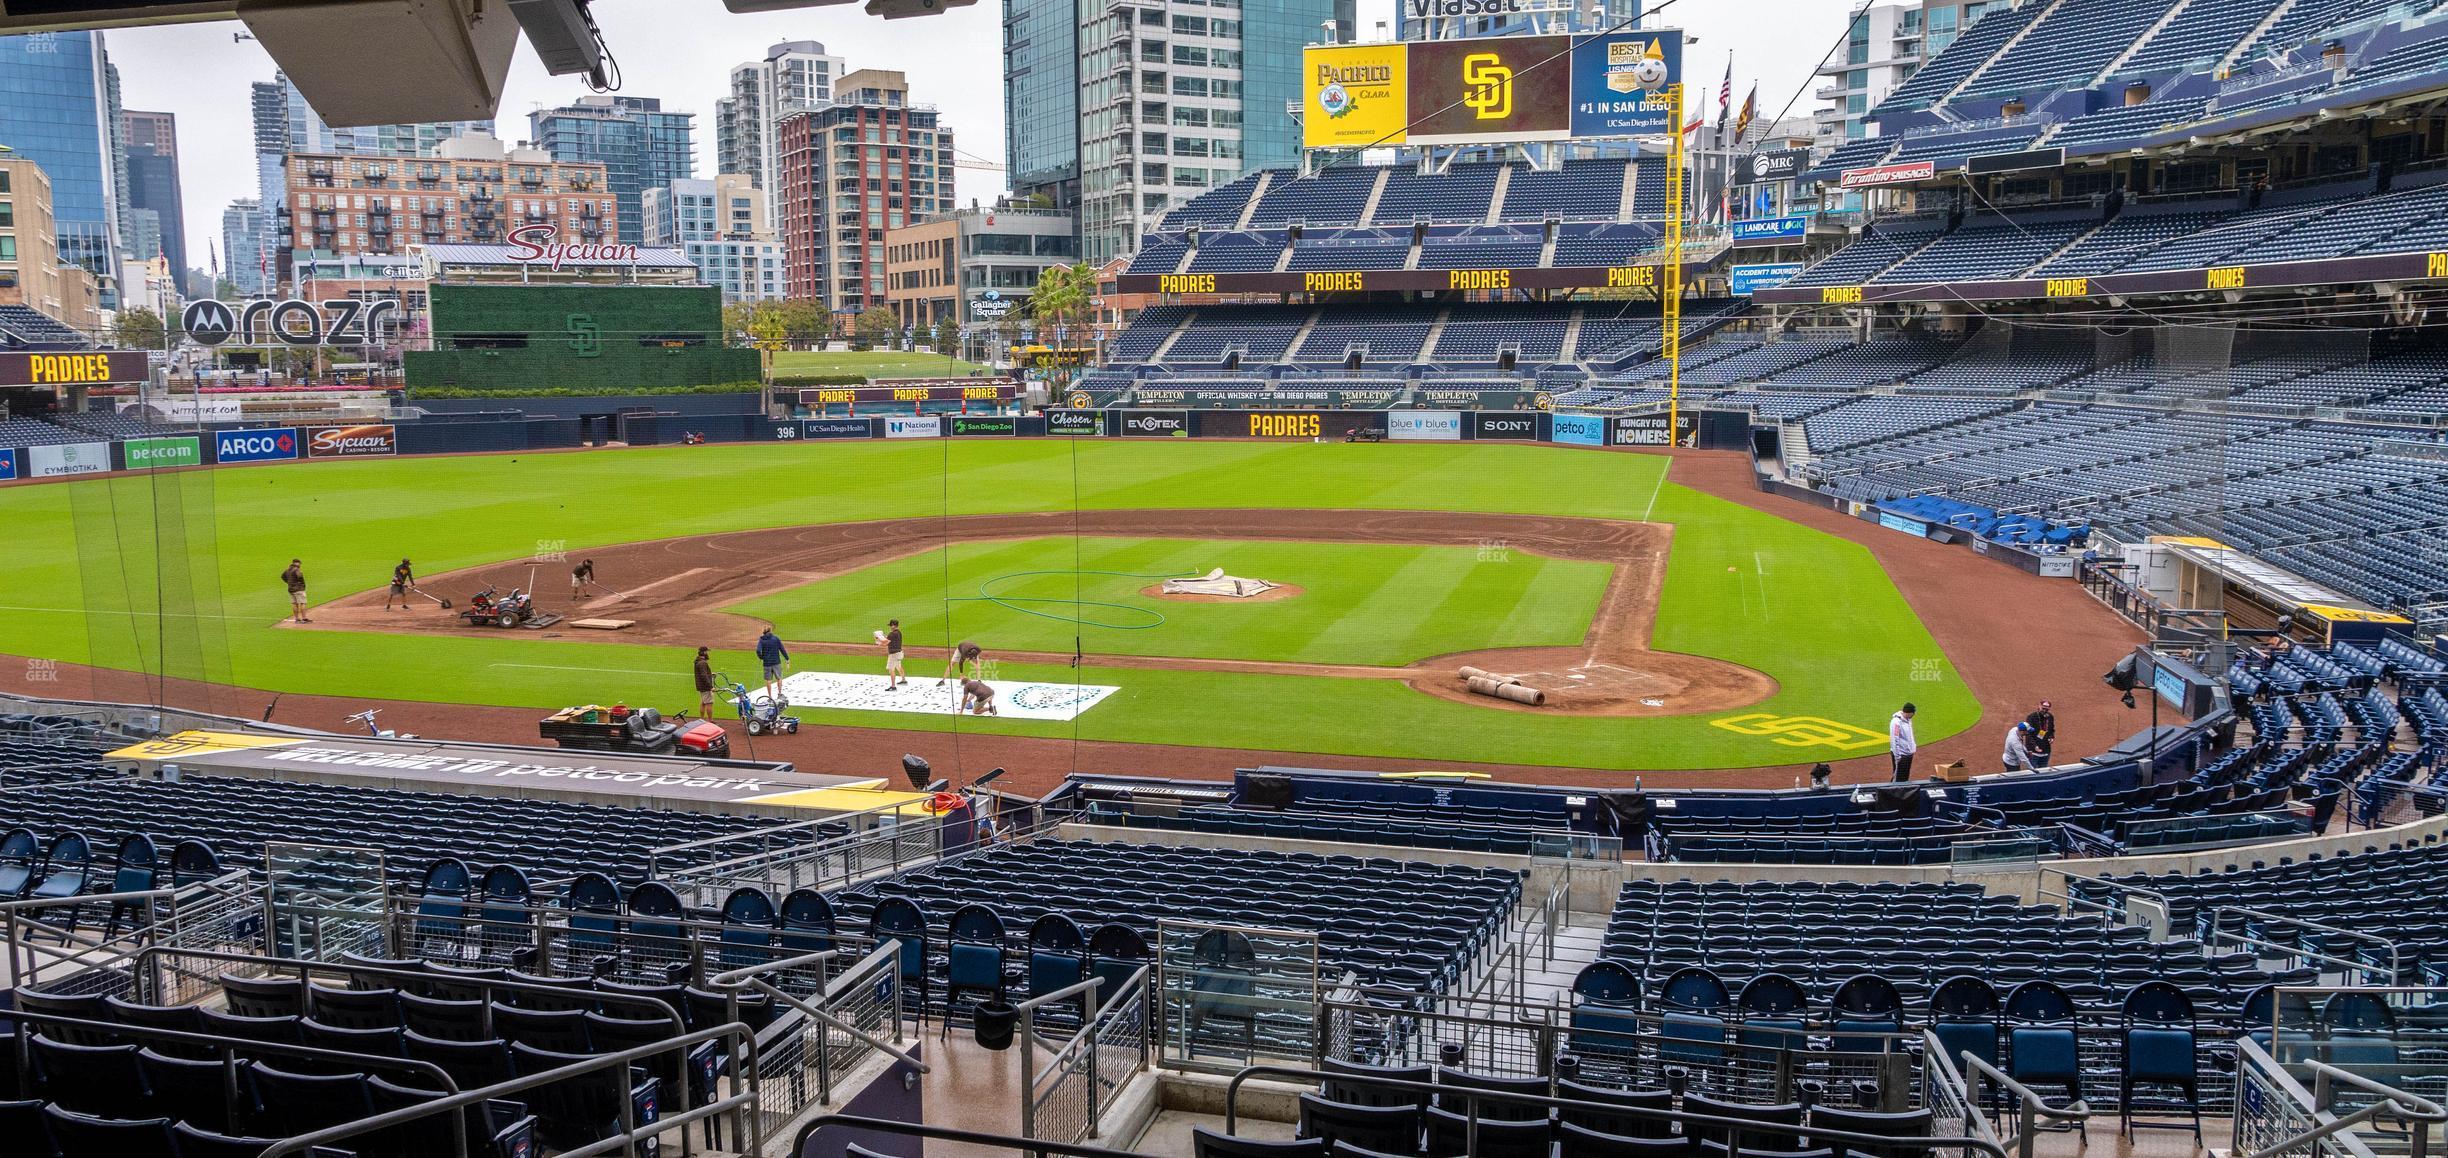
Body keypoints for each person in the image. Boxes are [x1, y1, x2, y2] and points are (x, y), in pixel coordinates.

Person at [756, 628, 790, 703]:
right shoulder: (775, 639)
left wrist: (761, 657)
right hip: (776, 662)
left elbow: (758, 650)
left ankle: (770, 697)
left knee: (768, 680)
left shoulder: (761, 640)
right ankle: (780, 693)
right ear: (770, 631)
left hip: (767, 663)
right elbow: (782, 649)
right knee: (779, 678)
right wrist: (787, 658)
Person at [1889, 702, 1918, 783]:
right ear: (1910, 712)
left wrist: (1913, 748)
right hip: (1901, 755)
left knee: (1905, 777)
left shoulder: (1908, 720)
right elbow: (1894, 739)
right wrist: (1897, 756)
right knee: (1898, 778)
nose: (1914, 714)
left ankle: (1904, 794)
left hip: (1908, 753)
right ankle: (1892, 793)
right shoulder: (1896, 722)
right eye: (1913, 712)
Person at [281, 559, 311, 624]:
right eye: (299, 563)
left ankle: (297, 619)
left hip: (291, 589)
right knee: (303, 603)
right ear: (297, 563)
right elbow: (300, 577)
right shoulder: (296, 570)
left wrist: (289, 582)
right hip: (299, 589)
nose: (300, 565)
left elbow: (282, 576)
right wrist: (302, 585)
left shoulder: (287, 570)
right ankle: (304, 619)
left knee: (294, 604)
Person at [882, 618, 906, 690]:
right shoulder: (898, 632)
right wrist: (884, 637)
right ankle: (903, 680)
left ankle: (893, 686)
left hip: (893, 654)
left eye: (890, 625)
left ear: (893, 626)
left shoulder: (892, 634)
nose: (890, 627)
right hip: (899, 653)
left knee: (891, 669)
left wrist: (878, 639)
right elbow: (890, 639)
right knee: (898, 666)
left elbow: (885, 643)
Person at [693, 646, 717, 719]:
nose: (707, 653)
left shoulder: (698, 661)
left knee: (703, 703)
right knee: (709, 703)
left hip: (701, 686)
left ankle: (702, 719)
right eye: (706, 652)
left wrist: (710, 674)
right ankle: (710, 721)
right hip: (705, 687)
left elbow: (702, 674)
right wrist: (711, 687)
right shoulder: (702, 663)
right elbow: (703, 675)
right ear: (704, 652)